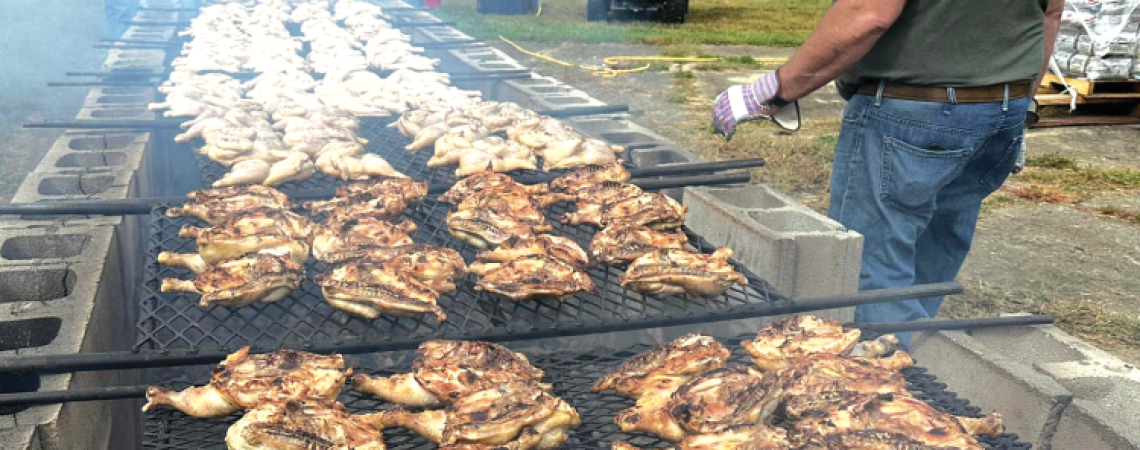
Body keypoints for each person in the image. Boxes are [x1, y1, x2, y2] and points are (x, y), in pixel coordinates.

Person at [711, 0, 1063, 345]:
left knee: (873, 266)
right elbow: (1051, 12)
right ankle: (911, 358)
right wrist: (1017, 102)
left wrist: (775, 90)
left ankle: (881, 380)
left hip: (913, 109)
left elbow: (869, 13)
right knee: (938, 241)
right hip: (1005, 106)